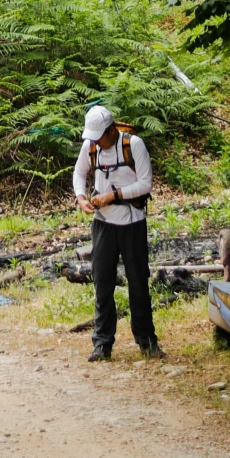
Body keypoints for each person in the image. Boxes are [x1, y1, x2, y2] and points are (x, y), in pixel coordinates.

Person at [72, 102, 159, 361]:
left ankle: (146, 340)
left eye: (99, 138)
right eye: (92, 139)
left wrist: (113, 196)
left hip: (132, 223)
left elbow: (145, 184)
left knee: (138, 283)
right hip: (103, 225)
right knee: (103, 283)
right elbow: (79, 174)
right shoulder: (90, 147)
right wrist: (81, 197)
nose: (95, 144)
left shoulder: (134, 145)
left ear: (111, 131)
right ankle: (102, 344)